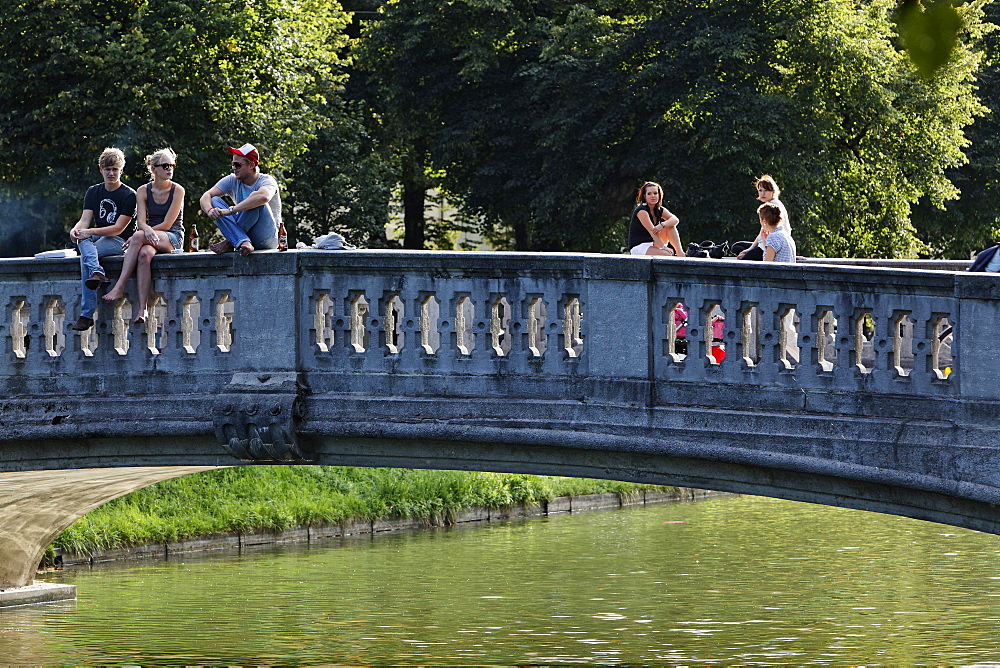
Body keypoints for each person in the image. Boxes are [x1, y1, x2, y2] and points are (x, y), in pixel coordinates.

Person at [102, 148, 185, 324]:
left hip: (173, 237)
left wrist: (142, 234)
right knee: (144, 254)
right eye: (165, 166)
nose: (169, 169)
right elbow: (140, 221)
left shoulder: (178, 190)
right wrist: (144, 232)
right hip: (150, 236)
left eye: (172, 165)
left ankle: (119, 286)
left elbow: (168, 225)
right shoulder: (143, 191)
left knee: (139, 237)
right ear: (154, 169)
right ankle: (142, 309)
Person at [69, 148, 137, 331]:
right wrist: (76, 231)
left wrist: (88, 232)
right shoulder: (93, 191)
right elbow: (84, 221)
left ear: (121, 170)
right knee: (82, 240)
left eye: (115, 169)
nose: (111, 173)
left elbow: (118, 228)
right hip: (99, 234)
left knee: (86, 259)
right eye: (107, 169)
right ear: (100, 169)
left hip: (119, 239)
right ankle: (98, 272)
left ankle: (86, 315)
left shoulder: (129, 195)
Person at [199, 143, 280, 256]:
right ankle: (242, 241)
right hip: (246, 235)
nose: (233, 168)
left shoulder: (266, 180)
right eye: (232, 164)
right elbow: (206, 196)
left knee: (256, 201)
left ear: (251, 165)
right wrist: (210, 210)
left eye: (237, 165)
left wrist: (230, 211)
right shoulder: (232, 179)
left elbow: (263, 197)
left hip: (267, 238)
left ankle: (231, 242)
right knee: (214, 201)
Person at [736, 174, 790, 261]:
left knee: (743, 261)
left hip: (771, 244)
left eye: (766, 190)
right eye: (760, 190)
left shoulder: (773, 206)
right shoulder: (767, 206)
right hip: (765, 242)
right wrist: (750, 249)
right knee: (737, 247)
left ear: (773, 191)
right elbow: (762, 232)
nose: (762, 194)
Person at [627, 181, 685, 257]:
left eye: (655, 193)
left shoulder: (659, 209)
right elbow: (652, 231)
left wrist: (662, 225)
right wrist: (664, 247)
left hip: (653, 242)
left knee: (670, 226)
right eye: (649, 194)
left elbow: (675, 219)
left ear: (659, 195)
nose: (653, 196)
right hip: (640, 246)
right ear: (644, 196)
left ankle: (681, 254)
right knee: (668, 254)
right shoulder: (641, 211)